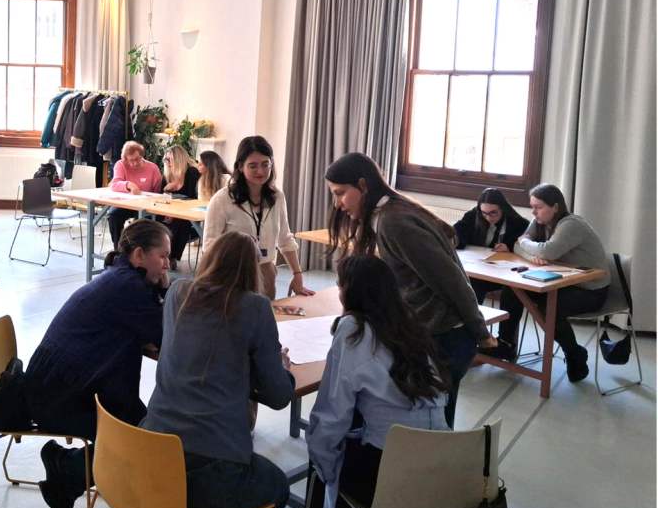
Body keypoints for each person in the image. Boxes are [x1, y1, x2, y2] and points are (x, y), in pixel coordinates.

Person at [325, 152, 494, 428]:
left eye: (340, 193)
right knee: (430, 425)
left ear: (363, 185)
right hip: (434, 333)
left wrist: (480, 331)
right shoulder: (387, 214)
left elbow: (451, 280)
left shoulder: (394, 221)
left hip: (446, 338)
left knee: (434, 428)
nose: (337, 203)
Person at [142, 231, 295, 508]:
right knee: (279, 488)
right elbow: (278, 396)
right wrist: (281, 368)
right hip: (209, 470)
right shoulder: (256, 307)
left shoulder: (177, 293)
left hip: (151, 452)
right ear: (252, 269)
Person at [24, 219, 171, 508]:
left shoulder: (119, 276)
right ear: (139, 255)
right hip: (59, 398)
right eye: (163, 256)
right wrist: (165, 289)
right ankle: (65, 474)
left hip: (58, 386)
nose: (168, 265)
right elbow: (166, 335)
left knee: (147, 432)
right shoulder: (129, 288)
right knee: (141, 441)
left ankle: (65, 464)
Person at [304, 254, 449, 508]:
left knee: (321, 448)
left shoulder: (353, 330)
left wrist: (326, 469)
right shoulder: (409, 325)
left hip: (390, 478)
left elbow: (332, 415)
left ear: (351, 293)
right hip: (438, 471)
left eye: (340, 286)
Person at [500, 184, 609, 382]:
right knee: (513, 289)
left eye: (538, 207)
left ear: (556, 207)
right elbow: (517, 246)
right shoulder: (539, 221)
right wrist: (534, 256)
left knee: (549, 308)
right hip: (564, 283)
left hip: (592, 290)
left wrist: (527, 244)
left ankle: (574, 353)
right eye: (532, 207)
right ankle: (505, 344)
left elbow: (544, 250)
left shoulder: (571, 224)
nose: (533, 212)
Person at [203, 136, 314, 300]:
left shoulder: (277, 196)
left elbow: (285, 239)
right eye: (253, 166)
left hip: (266, 272)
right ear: (240, 166)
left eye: (265, 164)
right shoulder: (222, 199)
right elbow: (209, 246)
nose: (260, 172)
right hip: (232, 275)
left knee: (264, 314)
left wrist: (297, 274)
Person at [452, 188, 530, 361]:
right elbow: (457, 231)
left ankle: (505, 343)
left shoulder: (518, 223)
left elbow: (527, 244)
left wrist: (510, 247)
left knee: (513, 290)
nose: (488, 217)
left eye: (493, 213)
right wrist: (454, 239)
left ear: (503, 208)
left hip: (506, 273)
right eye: (484, 213)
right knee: (470, 284)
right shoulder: (474, 215)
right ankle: (471, 333)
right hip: (482, 270)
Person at [107, 141, 163, 247]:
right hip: (125, 204)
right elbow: (114, 184)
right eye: (131, 160)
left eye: (137, 159)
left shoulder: (153, 168)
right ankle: (118, 248)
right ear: (126, 159)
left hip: (145, 206)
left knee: (141, 224)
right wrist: (128, 184)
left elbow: (158, 192)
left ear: (142, 155)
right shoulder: (121, 165)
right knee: (113, 216)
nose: (135, 163)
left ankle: (138, 250)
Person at [161, 145, 201, 271]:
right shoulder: (167, 175)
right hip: (168, 212)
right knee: (152, 219)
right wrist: (165, 190)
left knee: (181, 221)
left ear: (179, 159)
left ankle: (172, 257)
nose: (168, 163)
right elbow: (160, 198)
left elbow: (192, 199)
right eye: (166, 159)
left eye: (171, 159)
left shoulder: (191, 172)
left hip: (188, 215)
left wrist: (174, 213)